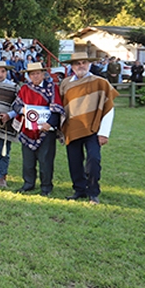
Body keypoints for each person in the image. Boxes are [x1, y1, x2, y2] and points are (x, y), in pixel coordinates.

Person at [59, 52, 119, 205]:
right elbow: (60, 107)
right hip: (72, 128)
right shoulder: (65, 84)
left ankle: (93, 192)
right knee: (74, 162)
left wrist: (104, 133)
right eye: (77, 63)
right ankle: (79, 190)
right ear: (72, 66)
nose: (81, 66)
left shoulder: (100, 82)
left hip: (93, 129)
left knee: (93, 161)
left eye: (84, 62)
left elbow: (109, 108)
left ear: (89, 64)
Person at [11, 62, 64, 196]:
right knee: (28, 160)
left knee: (45, 160)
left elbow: (57, 107)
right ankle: (28, 183)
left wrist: (50, 123)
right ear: (28, 76)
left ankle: (46, 186)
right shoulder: (25, 89)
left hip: (46, 130)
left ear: (43, 74)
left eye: (38, 73)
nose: (35, 76)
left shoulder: (52, 87)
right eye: (32, 74)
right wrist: (22, 110)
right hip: (28, 129)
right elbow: (15, 105)